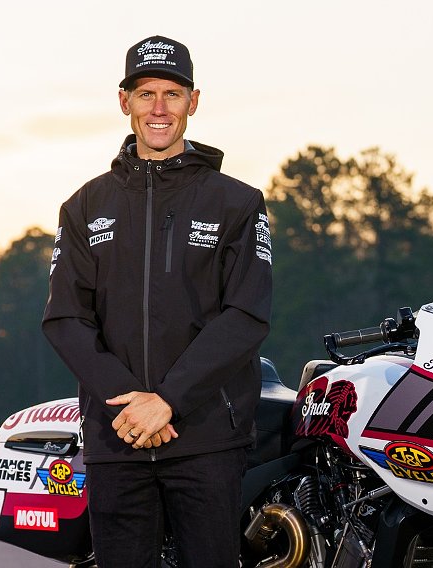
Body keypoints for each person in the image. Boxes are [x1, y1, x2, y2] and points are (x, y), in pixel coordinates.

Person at [42, 35, 273, 568]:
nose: (159, 108)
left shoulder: (238, 203)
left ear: (194, 101)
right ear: (124, 101)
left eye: (173, 93)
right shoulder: (84, 206)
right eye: (146, 94)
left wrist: (168, 400)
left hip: (206, 436)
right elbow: (65, 318)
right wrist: (129, 403)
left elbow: (246, 315)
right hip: (117, 435)